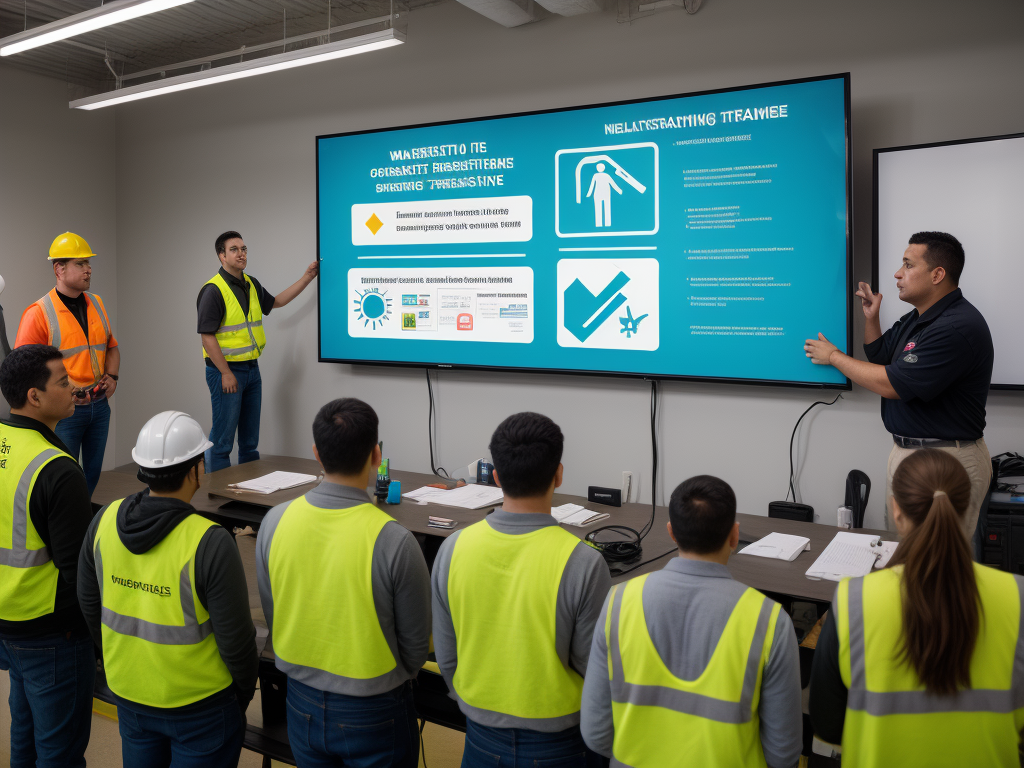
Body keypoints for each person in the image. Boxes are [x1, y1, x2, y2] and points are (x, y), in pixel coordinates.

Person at [809, 449, 1024, 767]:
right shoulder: (1016, 596)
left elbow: (827, 725)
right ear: (970, 510)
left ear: (897, 511)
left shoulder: (853, 601)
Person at [581, 475, 802, 768]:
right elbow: (783, 754)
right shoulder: (770, 622)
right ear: (734, 536)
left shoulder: (618, 603)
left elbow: (596, 734)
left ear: (671, 533)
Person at [255, 397, 430, 768]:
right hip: (375, 707)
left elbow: (273, 613)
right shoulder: (395, 540)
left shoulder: (274, 521)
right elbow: (415, 648)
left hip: (299, 700)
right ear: (376, 455)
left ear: (316, 453)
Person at [77, 410, 258, 767]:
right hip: (201, 705)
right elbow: (236, 640)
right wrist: (240, 697)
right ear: (196, 471)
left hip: (130, 693)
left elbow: (88, 601)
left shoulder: (104, 519)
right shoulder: (209, 540)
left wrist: (118, 660)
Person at [432, 412, 611, 768]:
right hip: (561, 742)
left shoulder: (453, 548)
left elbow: (446, 653)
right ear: (558, 475)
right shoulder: (584, 562)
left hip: (480, 734)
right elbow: (594, 672)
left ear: (496, 477)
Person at [805, 231, 993, 539]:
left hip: (944, 461)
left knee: (936, 558)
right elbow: (880, 355)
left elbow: (893, 383)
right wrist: (871, 317)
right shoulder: (917, 318)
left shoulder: (956, 327)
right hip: (909, 452)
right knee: (903, 549)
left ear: (937, 275)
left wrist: (834, 357)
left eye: (908, 265)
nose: (897, 274)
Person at [0, 344, 95, 767]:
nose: (74, 387)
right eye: (63, 381)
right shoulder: (56, 468)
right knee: (59, 752)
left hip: (8, 623)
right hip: (53, 633)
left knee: (24, 734)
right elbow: (78, 572)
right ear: (34, 396)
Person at [197, 230, 318, 472]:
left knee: (250, 441)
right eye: (234, 249)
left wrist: (307, 278)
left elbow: (276, 302)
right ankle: (216, 491)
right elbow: (207, 337)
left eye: (243, 249)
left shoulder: (250, 283)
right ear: (221, 256)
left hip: (252, 369)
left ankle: (248, 487)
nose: (241, 254)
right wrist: (225, 373)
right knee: (222, 441)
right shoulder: (213, 290)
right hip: (226, 372)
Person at [15, 232, 119, 497]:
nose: (88, 269)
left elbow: (111, 346)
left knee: (92, 474)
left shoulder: (97, 303)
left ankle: (81, 518)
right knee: (63, 477)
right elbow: (24, 369)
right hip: (64, 413)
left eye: (88, 263)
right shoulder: (38, 313)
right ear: (59, 269)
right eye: (80, 263)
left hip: (99, 406)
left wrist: (113, 376)